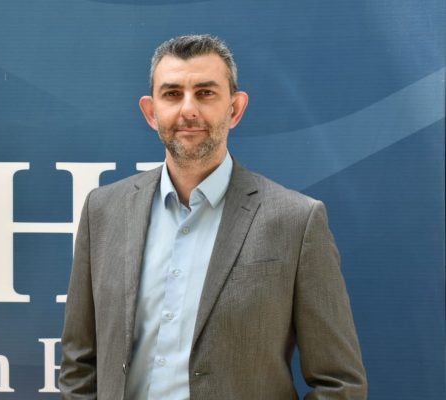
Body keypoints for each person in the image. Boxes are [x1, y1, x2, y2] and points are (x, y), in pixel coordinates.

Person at [59, 34, 367, 400]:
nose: (188, 110)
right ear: (151, 112)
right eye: (172, 94)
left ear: (235, 109)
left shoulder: (296, 222)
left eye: (205, 93)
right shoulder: (103, 210)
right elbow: (80, 364)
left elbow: (339, 384)